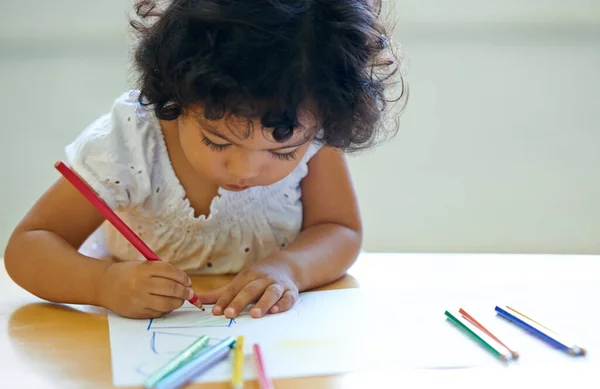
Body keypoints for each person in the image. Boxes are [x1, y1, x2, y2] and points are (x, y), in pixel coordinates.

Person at [4, 0, 405, 320]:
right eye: (217, 141)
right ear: (175, 97)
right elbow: (29, 248)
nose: (246, 171)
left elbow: (339, 229)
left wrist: (290, 269)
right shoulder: (129, 143)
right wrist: (103, 284)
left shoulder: (311, 123)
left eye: (282, 152)